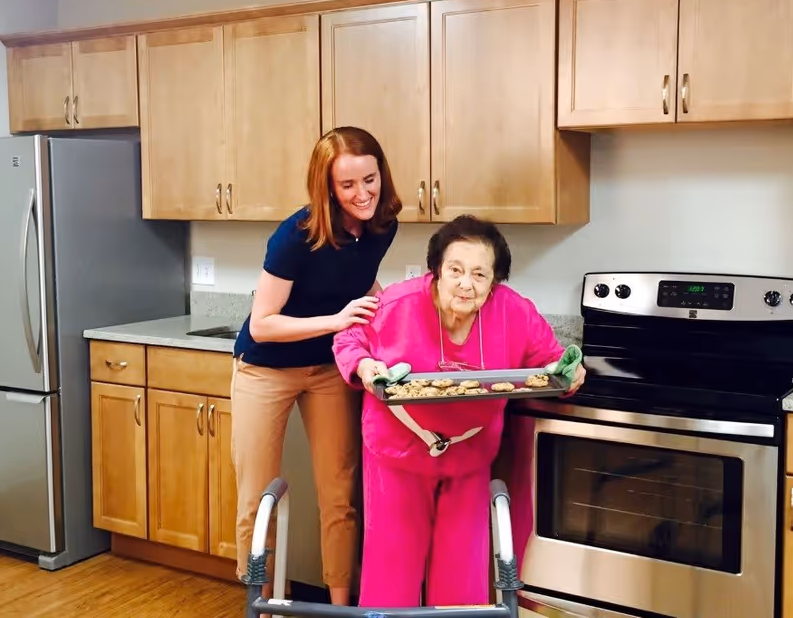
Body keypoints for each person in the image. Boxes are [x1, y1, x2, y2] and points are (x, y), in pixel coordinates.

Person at [332, 215, 586, 608]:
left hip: (469, 456)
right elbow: (349, 338)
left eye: (480, 274)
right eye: (456, 270)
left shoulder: (515, 313)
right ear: (437, 270)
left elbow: (553, 361)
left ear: (495, 280)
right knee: (391, 573)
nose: (466, 284)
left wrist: (571, 372)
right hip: (397, 453)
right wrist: (365, 366)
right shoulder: (395, 303)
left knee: (461, 580)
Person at [230, 126, 402, 606]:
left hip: (328, 368)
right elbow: (263, 324)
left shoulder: (383, 225)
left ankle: (341, 608)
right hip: (265, 368)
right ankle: (260, 607)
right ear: (327, 187)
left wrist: (389, 307)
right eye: (347, 185)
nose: (362, 193)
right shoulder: (296, 235)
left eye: (369, 179)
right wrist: (336, 319)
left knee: (340, 495)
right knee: (257, 497)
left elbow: (358, 280)